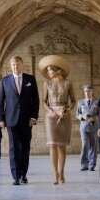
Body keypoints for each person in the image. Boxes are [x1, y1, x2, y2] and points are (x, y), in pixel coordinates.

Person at [0, 56, 39, 185]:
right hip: (10, 119)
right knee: (13, 148)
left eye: (18, 64)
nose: (16, 67)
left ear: (22, 65)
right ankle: (15, 176)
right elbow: (0, 101)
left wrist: (33, 117)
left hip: (27, 120)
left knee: (25, 147)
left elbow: (36, 100)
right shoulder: (5, 81)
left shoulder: (30, 79)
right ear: (11, 66)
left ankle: (23, 174)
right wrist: (0, 119)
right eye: (14, 65)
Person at [38, 55, 76, 184]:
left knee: (62, 145)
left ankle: (62, 172)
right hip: (51, 116)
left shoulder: (68, 83)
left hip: (64, 115)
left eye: (50, 70)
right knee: (52, 145)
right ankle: (55, 174)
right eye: (47, 70)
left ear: (58, 70)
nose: (48, 72)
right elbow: (43, 102)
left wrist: (68, 111)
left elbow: (74, 101)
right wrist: (50, 112)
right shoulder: (46, 83)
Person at [76, 85, 98, 172]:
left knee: (93, 146)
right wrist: (82, 117)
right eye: (85, 92)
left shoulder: (97, 101)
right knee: (85, 145)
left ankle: (91, 165)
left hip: (94, 127)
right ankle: (83, 164)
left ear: (92, 92)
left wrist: (94, 118)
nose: (87, 93)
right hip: (84, 127)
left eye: (89, 91)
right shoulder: (80, 101)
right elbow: (77, 115)